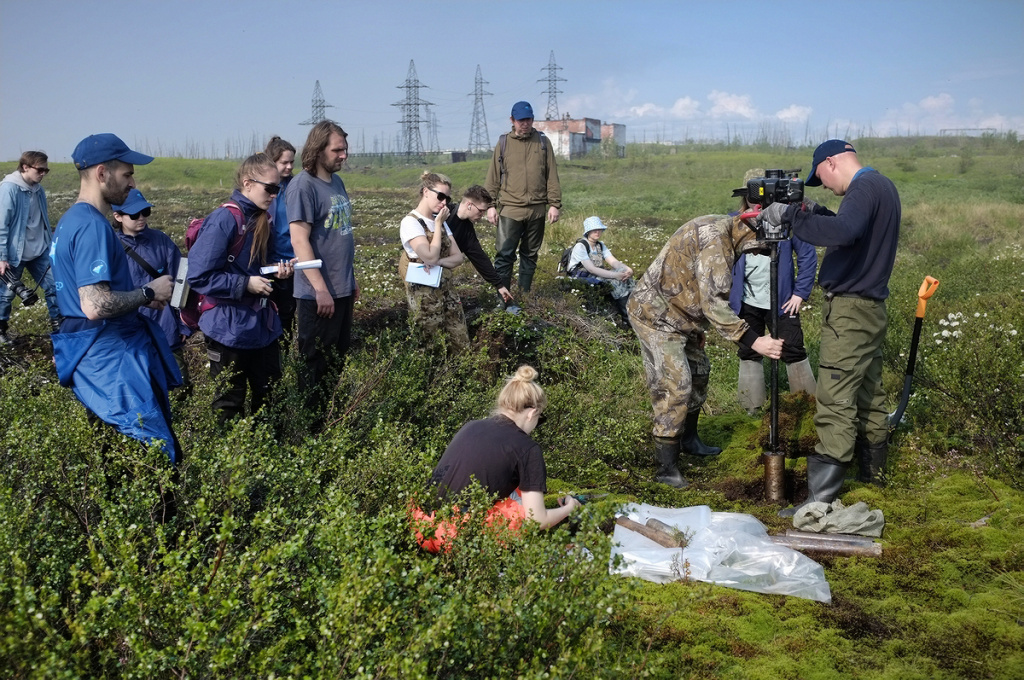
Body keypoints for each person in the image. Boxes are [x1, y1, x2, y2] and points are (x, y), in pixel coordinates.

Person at [761, 140, 900, 509]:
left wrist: (790, 217)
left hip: (851, 314)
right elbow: (848, 227)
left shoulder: (862, 188)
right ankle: (873, 481)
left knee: (835, 398)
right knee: (869, 395)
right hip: (872, 309)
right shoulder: (881, 186)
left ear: (831, 161)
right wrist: (812, 210)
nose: (821, 183)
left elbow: (844, 232)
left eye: (819, 177)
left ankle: (819, 503)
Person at [627, 191, 784, 488]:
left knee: (700, 371)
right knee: (676, 384)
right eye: (758, 248)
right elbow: (714, 303)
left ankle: (689, 439)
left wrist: (696, 328)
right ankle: (665, 469)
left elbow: (693, 285)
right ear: (749, 232)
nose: (757, 253)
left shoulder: (724, 227)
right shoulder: (719, 246)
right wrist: (753, 341)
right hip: (655, 315)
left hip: (681, 315)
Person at [49, 133, 182, 465]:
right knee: (149, 456)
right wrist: (148, 292)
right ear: (101, 173)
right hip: (112, 359)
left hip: (88, 354)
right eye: (126, 173)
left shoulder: (68, 222)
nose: (132, 182)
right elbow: (94, 304)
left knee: (112, 455)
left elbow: (71, 295)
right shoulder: (93, 226)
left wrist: (138, 300)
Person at [413, 365, 581, 553]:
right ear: (532, 413)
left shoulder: (471, 426)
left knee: (518, 488)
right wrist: (569, 509)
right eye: (540, 419)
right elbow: (537, 520)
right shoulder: (527, 448)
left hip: (420, 526)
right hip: (455, 538)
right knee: (522, 507)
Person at [187, 153, 294, 424]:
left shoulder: (262, 220)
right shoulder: (224, 220)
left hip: (261, 327)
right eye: (270, 188)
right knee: (228, 403)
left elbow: (256, 268)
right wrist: (245, 284)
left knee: (270, 396)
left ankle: (268, 455)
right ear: (248, 184)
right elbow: (198, 276)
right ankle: (229, 462)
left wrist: (277, 272)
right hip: (227, 329)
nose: (274, 195)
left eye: (278, 189)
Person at [729, 170, 818, 415]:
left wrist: (800, 293)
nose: (757, 204)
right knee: (748, 349)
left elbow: (807, 256)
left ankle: (807, 408)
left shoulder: (789, 219)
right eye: (752, 197)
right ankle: (751, 409)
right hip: (747, 300)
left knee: (792, 349)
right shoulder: (735, 221)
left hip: (782, 300)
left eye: (763, 198)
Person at [288, 120, 358, 418]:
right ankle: (309, 429)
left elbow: (339, 237)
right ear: (318, 150)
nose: (344, 155)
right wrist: (320, 288)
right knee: (314, 364)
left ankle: (327, 420)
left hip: (340, 290)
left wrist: (350, 280)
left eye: (345, 149)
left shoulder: (336, 182)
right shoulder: (303, 186)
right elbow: (299, 240)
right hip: (318, 295)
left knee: (335, 361)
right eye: (337, 150)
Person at [112, 188, 190, 389]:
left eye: (145, 212)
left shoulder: (161, 240)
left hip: (166, 329)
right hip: (130, 333)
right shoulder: (110, 247)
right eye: (135, 214)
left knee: (179, 387)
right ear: (117, 216)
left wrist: (184, 324)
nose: (141, 218)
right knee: (139, 389)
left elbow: (181, 279)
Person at [484, 100, 561, 296]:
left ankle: (524, 296)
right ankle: (503, 298)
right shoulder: (503, 143)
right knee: (504, 255)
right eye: (520, 120)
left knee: (530, 255)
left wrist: (554, 204)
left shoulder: (543, 142)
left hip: (537, 210)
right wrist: (490, 206)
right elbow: (493, 177)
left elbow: (552, 175)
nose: (524, 124)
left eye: (528, 120)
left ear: (532, 119)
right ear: (512, 120)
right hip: (510, 210)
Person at [398, 171, 468, 351]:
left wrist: (437, 263)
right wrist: (437, 227)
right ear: (426, 192)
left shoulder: (441, 221)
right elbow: (429, 255)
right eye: (440, 196)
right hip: (424, 293)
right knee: (430, 343)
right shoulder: (411, 222)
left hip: (446, 288)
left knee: (459, 338)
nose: (444, 202)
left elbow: (458, 257)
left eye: (447, 198)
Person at [0, 151, 62, 342]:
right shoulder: (9, 188)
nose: (43, 173)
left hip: (40, 250)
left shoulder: (39, 189)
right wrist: (1, 256)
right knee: (6, 295)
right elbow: (1, 224)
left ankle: (60, 329)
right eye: (40, 169)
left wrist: (51, 247)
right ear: (25, 167)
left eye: (46, 170)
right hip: (13, 254)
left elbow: (43, 220)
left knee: (55, 286)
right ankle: (1, 332)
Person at [443, 185, 513, 307]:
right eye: (481, 210)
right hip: (417, 265)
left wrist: (499, 285)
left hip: (440, 268)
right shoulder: (443, 212)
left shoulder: (467, 230)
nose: (483, 214)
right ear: (469, 204)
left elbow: (479, 258)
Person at [566, 215, 635, 322]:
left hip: (596, 274)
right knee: (615, 282)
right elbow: (591, 269)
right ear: (588, 231)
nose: (597, 232)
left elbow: (613, 262)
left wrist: (627, 269)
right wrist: (614, 275)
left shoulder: (600, 245)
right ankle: (627, 319)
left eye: (599, 230)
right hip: (582, 277)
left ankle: (634, 309)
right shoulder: (581, 246)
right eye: (594, 230)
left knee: (626, 276)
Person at [264, 136, 297, 334]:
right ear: (272, 162)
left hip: (292, 262)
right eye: (284, 162)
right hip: (270, 263)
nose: (289, 167)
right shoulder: (265, 190)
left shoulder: (295, 186)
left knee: (287, 317)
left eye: (292, 162)